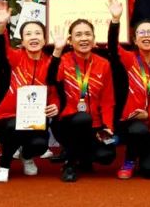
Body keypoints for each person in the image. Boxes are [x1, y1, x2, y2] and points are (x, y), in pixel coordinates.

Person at [105, 0, 150, 180]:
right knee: (137, 130)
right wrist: (115, 20)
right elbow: (112, 47)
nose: (146, 36)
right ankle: (129, 159)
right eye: (141, 33)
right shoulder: (129, 59)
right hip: (133, 123)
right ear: (135, 40)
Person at [0, 1, 58, 183]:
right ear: (22, 41)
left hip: (35, 119)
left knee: (40, 145)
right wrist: (1, 25)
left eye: (38, 33)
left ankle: (26, 156)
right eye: (28, 34)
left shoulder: (51, 63)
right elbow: (1, 47)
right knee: (14, 126)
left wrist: (55, 105)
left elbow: (55, 91)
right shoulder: (16, 57)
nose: (33, 37)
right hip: (7, 117)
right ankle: (4, 165)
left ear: (44, 39)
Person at [47, 18, 117, 182]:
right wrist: (57, 50)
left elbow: (108, 101)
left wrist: (107, 127)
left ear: (94, 38)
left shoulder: (104, 64)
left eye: (87, 34)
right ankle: (70, 164)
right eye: (78, 35)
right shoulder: (62, 61)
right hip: (67, 123)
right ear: (70, 41)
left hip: (94, 125)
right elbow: (51, 80)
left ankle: (82, 157)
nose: (84, 38)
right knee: (82, 118)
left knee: (107, 155)